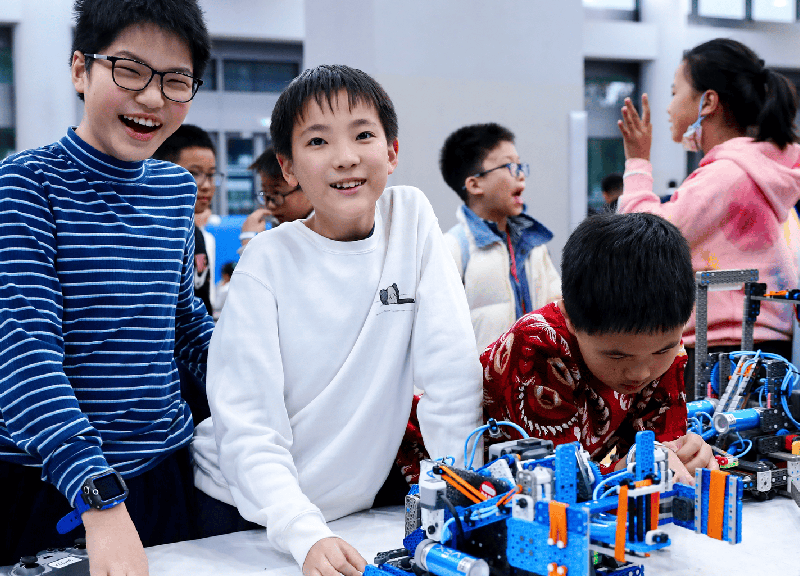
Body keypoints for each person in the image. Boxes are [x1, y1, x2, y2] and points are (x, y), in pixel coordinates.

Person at [191, 64, 482, 576]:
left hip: (348, 515)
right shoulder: (266, 262)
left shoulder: (410, 219)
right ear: (288, 168)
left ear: (392, 151)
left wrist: (459, 502)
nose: (345, 157)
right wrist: (301, 529)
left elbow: (451, 378)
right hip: (242, 509)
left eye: (363, 135)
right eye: (318, 141)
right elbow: (247, 425)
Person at [0, 0, 214, 570]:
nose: (153, 98)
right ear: (80, 69)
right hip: (57, 483)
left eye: (176, 81)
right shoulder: (26, 184)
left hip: (164, 473)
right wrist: (95, 492)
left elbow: (184, 324)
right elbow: (24, 354)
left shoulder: (174, 190)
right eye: (130, 70)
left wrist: (266, 381)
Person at [617, 38, 800, 396]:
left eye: (675, 92)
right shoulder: (748, 171)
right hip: (748, 345)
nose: (669, 106)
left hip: (723, 352)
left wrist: (637, 161)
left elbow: (641, 242)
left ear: (708, 102)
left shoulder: (727, 175)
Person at [482, 212, 717, 483]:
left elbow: (664, 447)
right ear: (570, 318)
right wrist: (625, 470)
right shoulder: (537, 348)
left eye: (662, 351)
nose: (640, 372)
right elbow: (553, 479)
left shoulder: (665, 345)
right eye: (617, 355)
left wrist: (688, 455)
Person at [439, 122, 561, 353]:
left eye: (520, 166)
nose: (521, 175)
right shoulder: (452, 249)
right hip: (481, 376)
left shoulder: (534, 246)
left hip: (535, 374)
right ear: (475, 184)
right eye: (510, 166)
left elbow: (558, 308)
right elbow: (439, 334)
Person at [154, 123, 222, 315]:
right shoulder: (151, 236)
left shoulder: (196, 235)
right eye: (194, 173)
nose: (206, 185)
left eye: (211, 175)